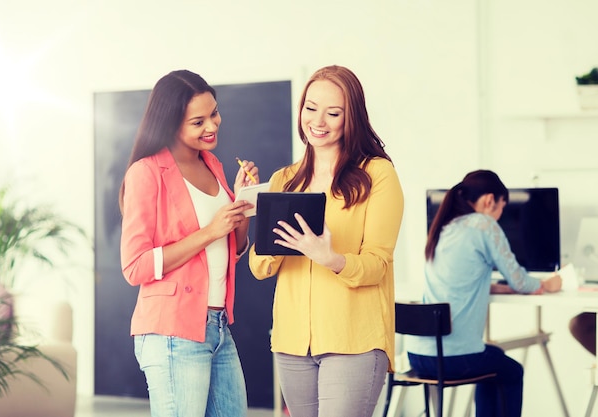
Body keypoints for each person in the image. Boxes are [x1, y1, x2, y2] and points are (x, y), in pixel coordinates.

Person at [248, 65, 404, 417]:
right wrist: (267, 235)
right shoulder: (283, 179)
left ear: (353, 118)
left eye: (333, 113)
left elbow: (378, 264)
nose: (318, 121)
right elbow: (259, 267)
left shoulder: (377, 174)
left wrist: (330, 257)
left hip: (354, 340)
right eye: (310, 108)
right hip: (291, 341)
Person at [118, 69, 259, 417]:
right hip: (172, 332)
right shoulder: (146, 173)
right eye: (198, 121)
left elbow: (229, 251)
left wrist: (241, 205)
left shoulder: (213, 166)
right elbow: (135, 267)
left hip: (218, 327)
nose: (212, 125)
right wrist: (210, 231)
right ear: (171, 123)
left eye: (214, 113)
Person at [405, 169, 562, 417]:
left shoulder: (444, 227)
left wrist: (500, 288)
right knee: (511, 371)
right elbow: (521, 281)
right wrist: (548, 284)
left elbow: (459, 280)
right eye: (502, 208)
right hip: (452, 359)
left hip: (417, 355)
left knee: (494, 359)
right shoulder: (483, 223)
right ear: (490, 200)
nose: (499, 216)